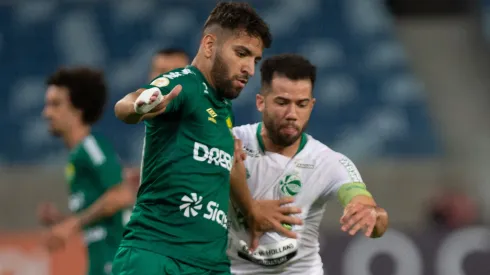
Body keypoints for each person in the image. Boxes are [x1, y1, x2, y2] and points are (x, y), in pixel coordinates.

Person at [112, 2, 302, 275]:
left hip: (210, 264)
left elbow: (230, 163)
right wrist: (140, 106)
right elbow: (125, 105)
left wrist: (251, 211)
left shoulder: (224, 109)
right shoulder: (185, 84)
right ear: (210, 45)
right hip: (157, 256)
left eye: (255, 60)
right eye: (241, 53)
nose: (249, 68)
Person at [228, 54, 389, 275]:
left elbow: (369, 212)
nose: (292, 114)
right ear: (260, 102)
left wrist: (372, 214)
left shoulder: (328, 162)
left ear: (311, 105)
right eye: (282, 102)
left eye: (301, 104)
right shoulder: (231, 143)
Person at [39, 67, 136, 275]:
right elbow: (98, 218)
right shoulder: (77, 156)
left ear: (78, 109)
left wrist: (71, 224)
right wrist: (61, 222)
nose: (46, 113)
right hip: (101, 262)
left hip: (117, 262)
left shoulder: (91, 147)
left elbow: (121, 195)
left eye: (55, 104)